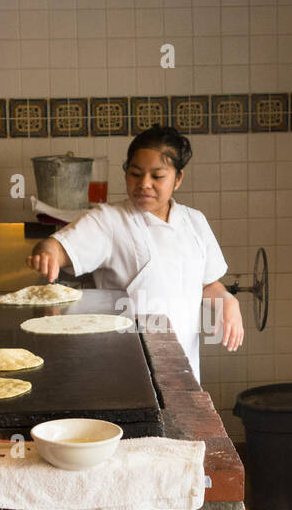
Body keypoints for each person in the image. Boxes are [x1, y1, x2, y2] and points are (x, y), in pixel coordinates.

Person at [27, 126, 244, 382]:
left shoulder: (194, 222)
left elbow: (207, 283)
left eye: (157, 176)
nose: (144, 184)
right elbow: (60, 247)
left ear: (178, 178)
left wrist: (228, 301)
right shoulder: (109, 220)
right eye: (135, 174)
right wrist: (48, 252)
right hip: (124, 366)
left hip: (184, 365)